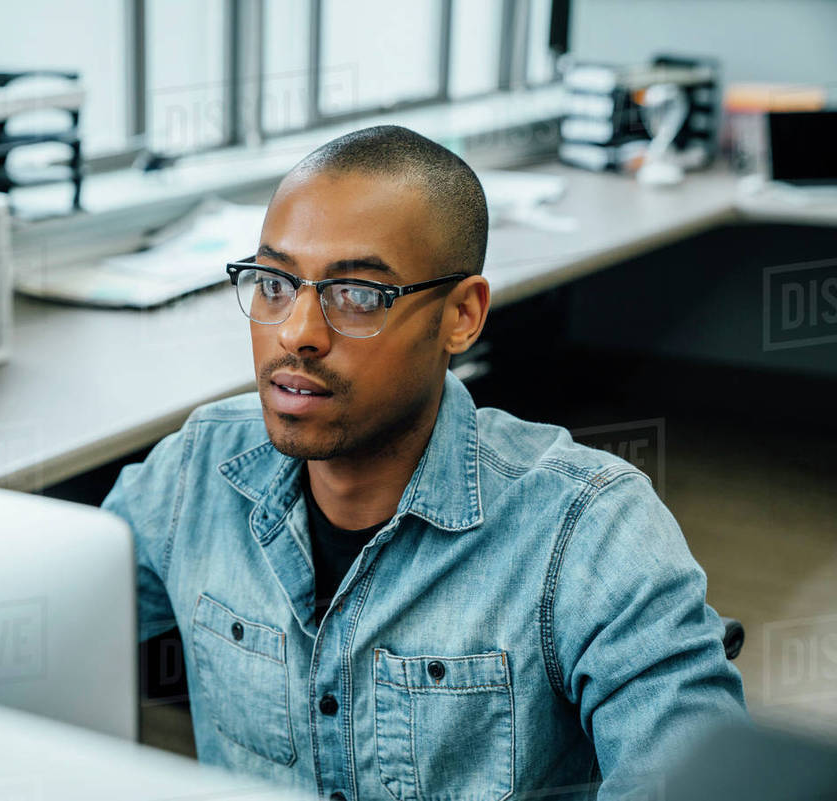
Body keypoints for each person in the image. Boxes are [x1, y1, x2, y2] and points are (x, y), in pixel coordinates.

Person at [102, 125, 746, 801]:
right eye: (275, 282)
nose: (296, 332)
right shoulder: (195, 471)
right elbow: (57, 626)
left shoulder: (587, 528)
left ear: (461, 315)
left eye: (358, 295)